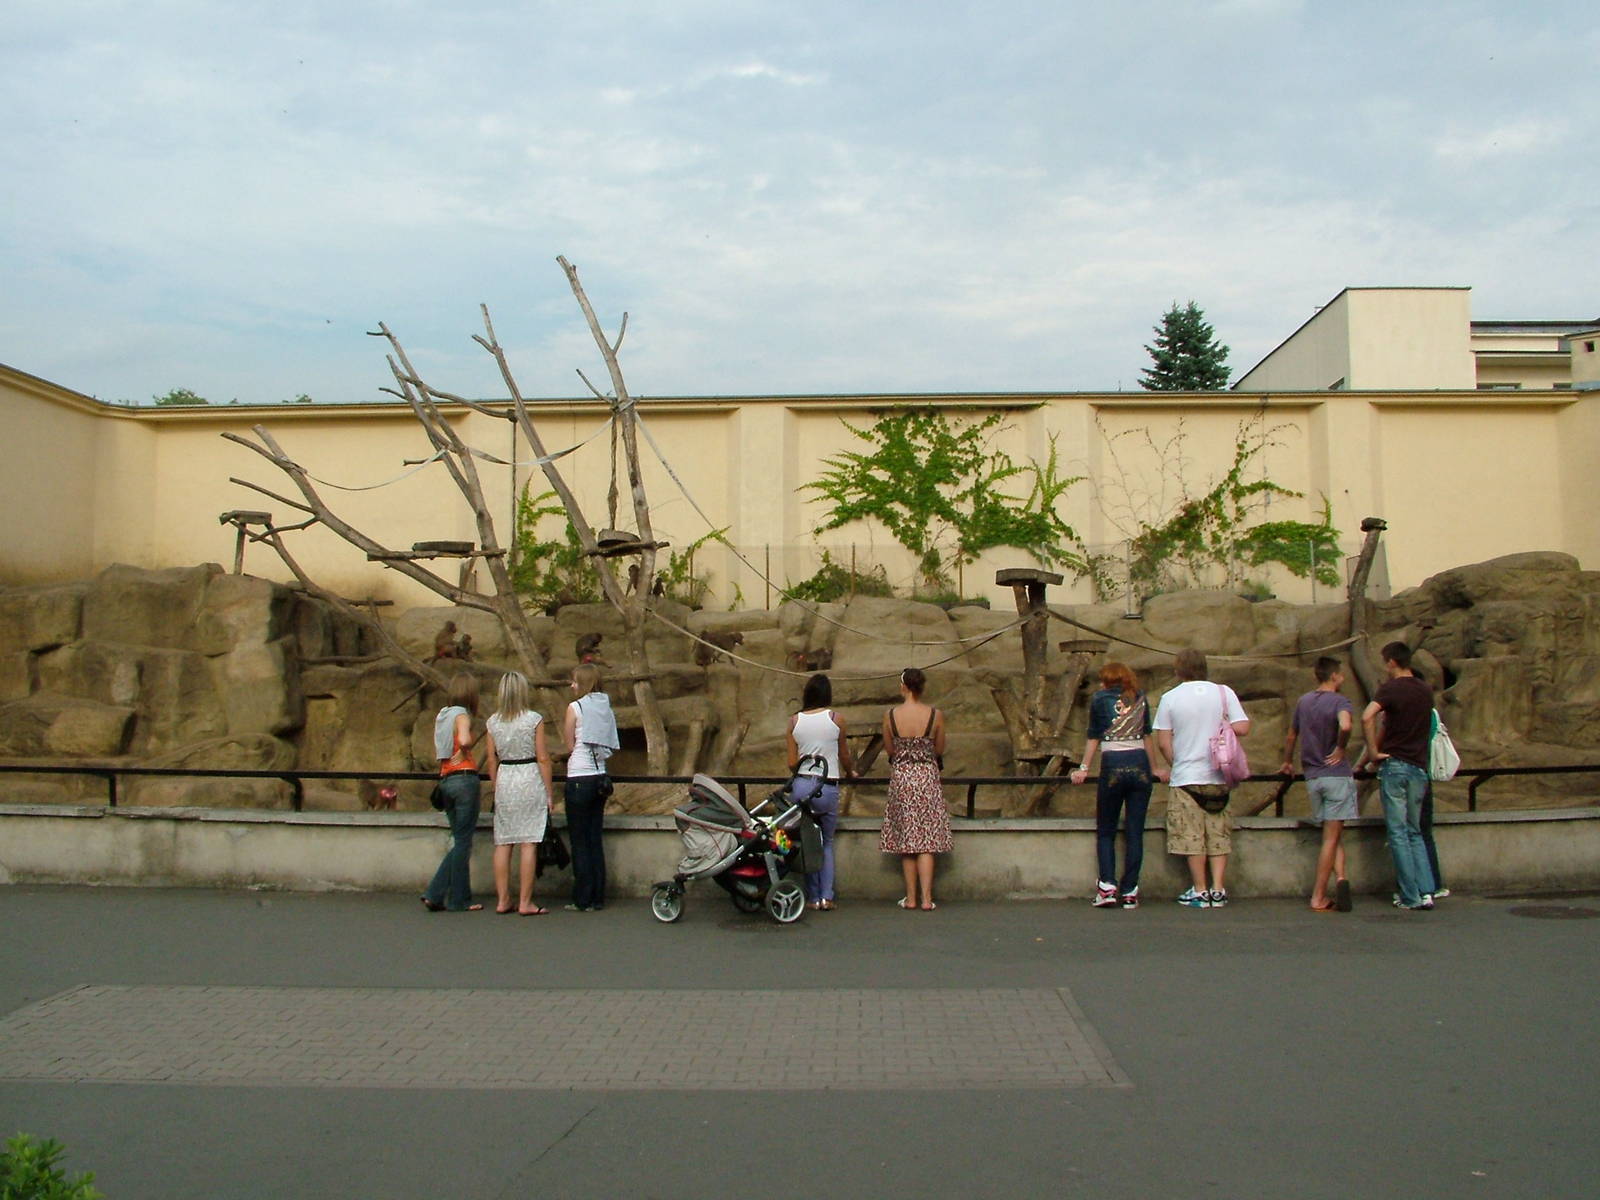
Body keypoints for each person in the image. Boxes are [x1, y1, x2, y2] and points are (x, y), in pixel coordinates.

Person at [1153, 648, 1250, 909]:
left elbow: (1163, 741)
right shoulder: (1223, 692)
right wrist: (1222, 727)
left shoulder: (1170, 697)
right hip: (1219, 774)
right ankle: (1219, 888)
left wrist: (1177, 762)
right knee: (1218, 834)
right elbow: (1244, 726)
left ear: (1178, 669)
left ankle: (1200, 889)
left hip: (1186, 776)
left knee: (1191, 834)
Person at [1070, 662, 1169, 909]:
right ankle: (1130, 891)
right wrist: (1155, 767)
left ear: (1106, 681)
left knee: (1106, 829)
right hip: (1140, 765)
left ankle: (1107, 886)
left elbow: (1094, 736)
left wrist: (1083, 768)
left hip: (1113, 764)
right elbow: (1147, 735)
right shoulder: (1141, 698)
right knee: (1135, 831)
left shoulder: (1099, 699)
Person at [1357, 642, 1436, 910]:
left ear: (1391, 662)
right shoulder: (1425, 691)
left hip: (1395, 764)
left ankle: (1409, 895)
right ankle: (1427, 891)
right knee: (1415, 831)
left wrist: (1373, 752)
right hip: (1419, 766)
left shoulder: (1391, 688)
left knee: (1398, 832)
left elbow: (1367, 717)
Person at [1280, 656, 1356, 912]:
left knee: (1332, 834)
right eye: (1341, 674)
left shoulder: (1303, 701)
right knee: (1330, 838)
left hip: (1313, 776)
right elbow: (1345, 725)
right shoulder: (1340, 701)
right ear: (1334, 676)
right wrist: (1341, 748)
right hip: (1336, 774)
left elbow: (1292, 735)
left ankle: (1342, 876)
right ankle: (1319, 895)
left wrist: (1288, 762)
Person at [880, 667, 951, 911]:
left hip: (902, 778)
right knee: (926, 839)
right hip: (927, 777)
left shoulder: (890, 715)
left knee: (907, 839)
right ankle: (927, 899)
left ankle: (910, 898)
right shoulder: (935, 714)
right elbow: (939, 748)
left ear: (904, 686)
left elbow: (890, 750)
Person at [484, 670, 554, 916]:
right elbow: (543, 757)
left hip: (506, 777)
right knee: (528, 843)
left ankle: (503, 899)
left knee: (503, 842)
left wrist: (496, 786)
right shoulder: (533, 719)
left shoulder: (493, 722)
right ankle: (526, 902)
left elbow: (491, 760)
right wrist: (549, 792)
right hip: (529, 776)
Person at [786, 673, 855, 911]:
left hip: (802, 784)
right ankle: (827, 896)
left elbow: (791, 763)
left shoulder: (794, 721)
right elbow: (844, 754)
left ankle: (812, 897)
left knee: (807, 841)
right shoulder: (837, 720)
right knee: (827, 842)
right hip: (827, 785)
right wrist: (851, 772)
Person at [421, 673, 484, 913]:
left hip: (445, 779)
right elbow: (466, 738)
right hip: (464, 778)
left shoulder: (442, 715)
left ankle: (456, 897)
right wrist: (465, 749)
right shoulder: (461, 714)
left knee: (459, 839)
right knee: (463, 842)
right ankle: (439, 893)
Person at [563, 663, 619, 912]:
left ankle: (581, 898)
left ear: (583, 683)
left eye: (575, 681)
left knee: (579, 840)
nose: (572, 686)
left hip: (579, 776)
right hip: (600, 777)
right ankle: (598, 896)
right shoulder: (604, 707)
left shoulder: (575, 708)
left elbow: (569, 744)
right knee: (595, 838)